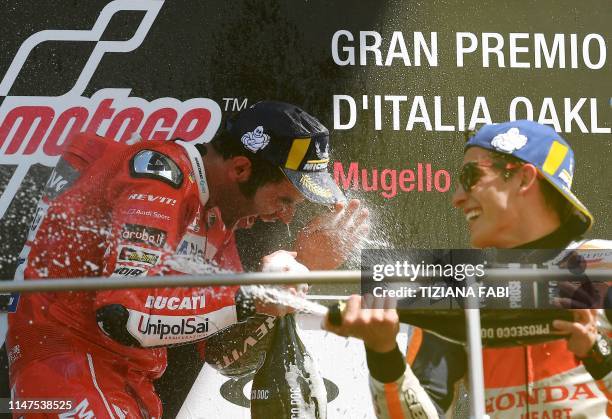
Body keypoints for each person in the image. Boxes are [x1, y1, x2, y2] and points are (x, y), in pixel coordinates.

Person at [8, 100, 369, 418]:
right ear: (240, 169)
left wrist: (301, 270)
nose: (287, 217)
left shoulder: (217, 221)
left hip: (125, 385)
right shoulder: (160, 178)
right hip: (70, 367)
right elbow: (123, 317)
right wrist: (250, 297)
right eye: (284, 200)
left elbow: (224, 354)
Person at [325, 120, 611, 418]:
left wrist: (598, 355)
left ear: (524, 178)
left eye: (471, 176)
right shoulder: (455, 284)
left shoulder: (604, 269)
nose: (457, 197)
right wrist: (383, 353)